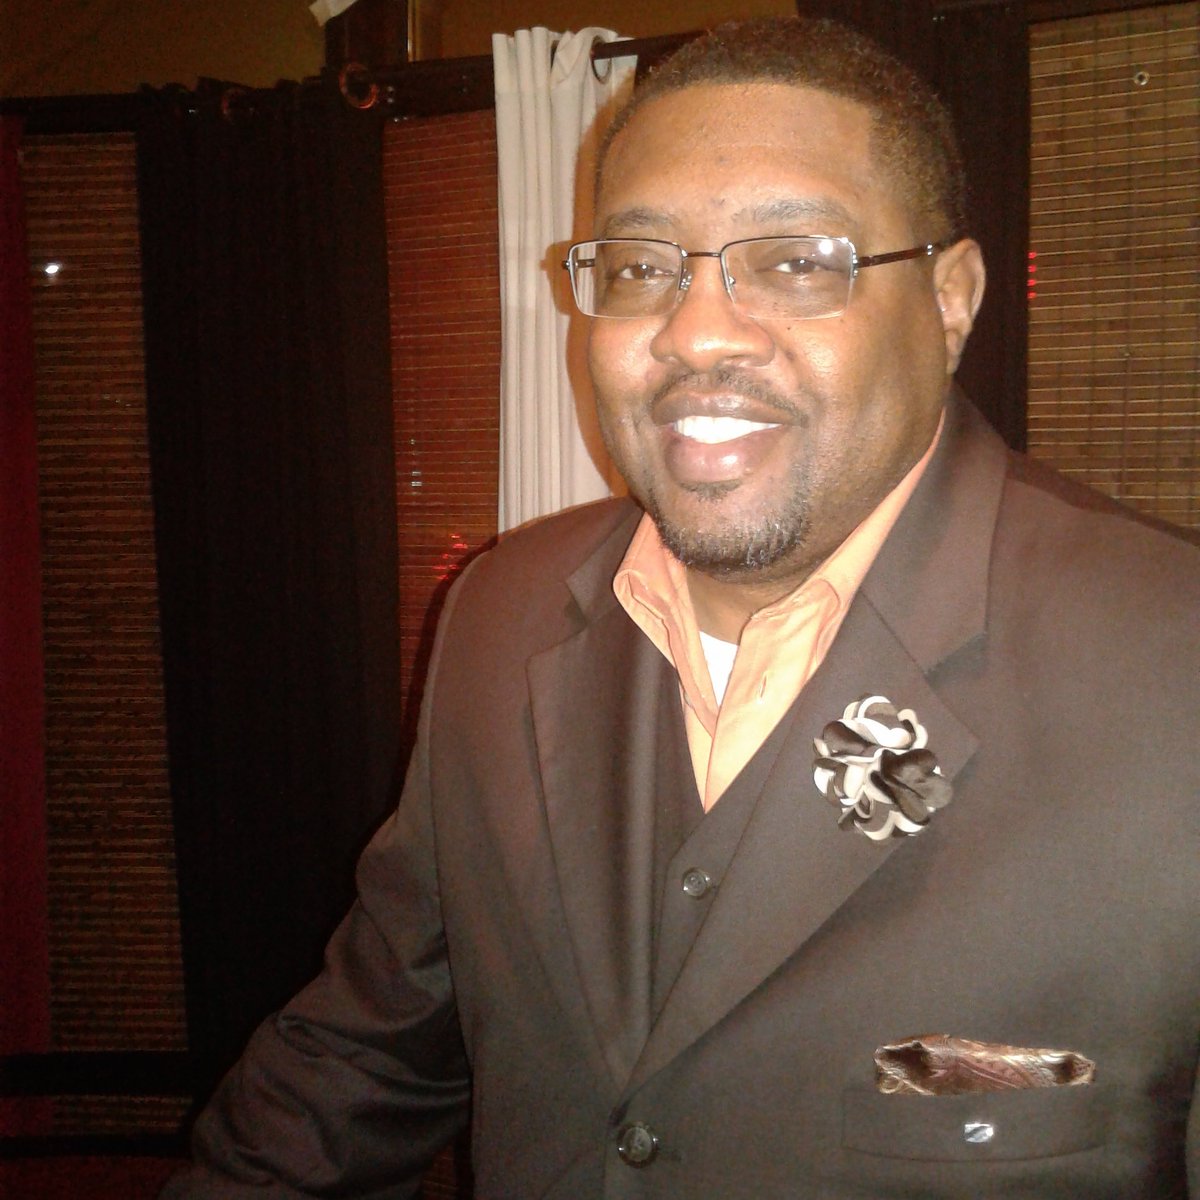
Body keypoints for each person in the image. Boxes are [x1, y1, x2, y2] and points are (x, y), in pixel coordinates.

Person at [163, 16, 1199, 1198]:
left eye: (797, 260)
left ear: (951, 300)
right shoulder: (501, 615)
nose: (696, 331)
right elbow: (365, 1055)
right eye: (642, 268)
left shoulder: (1173, 677)